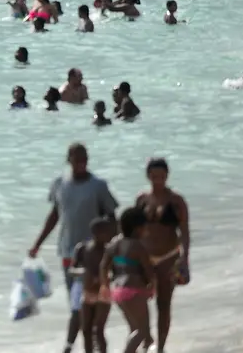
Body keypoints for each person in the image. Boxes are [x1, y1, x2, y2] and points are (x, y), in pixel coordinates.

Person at [29, 143, 118, 353]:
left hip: (96, 256)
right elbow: (54, 216)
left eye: (84, 158)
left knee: (92, 304)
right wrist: (37, 245)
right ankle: (76, 345)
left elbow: (113, 219)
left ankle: (80, 345)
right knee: (77, 304)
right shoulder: (59, 184)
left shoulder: (98, 186)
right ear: (68, 160)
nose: (81, 162)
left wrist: (116, 249)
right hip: (69, 253)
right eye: (77, 159)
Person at [134, 158, 190, 351]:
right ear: (148, 175)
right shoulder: (141, 199)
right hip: (144, 257)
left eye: (161, 176)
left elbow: (184, 231)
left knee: (163, 304)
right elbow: (133, 230)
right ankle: (146, 338)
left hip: (169, 256)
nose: (157, 180)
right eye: (153, 175)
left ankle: (160, 347)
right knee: (138, 302)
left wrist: (185, 259)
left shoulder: (176, 201)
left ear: (167, 175)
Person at [100, 208, 155, 353]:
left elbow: (103, 266)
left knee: (134, 329)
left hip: (117, 291)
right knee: (143, 331)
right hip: (134, 290)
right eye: (146, 228)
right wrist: (152, 286)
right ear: (138, 229)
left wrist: (105, 285)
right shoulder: (138, 246)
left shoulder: (113, 244)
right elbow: (148, 269)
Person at [68, 217, 116, 353]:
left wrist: (105, 278)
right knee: (86, 330)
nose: (111, 235)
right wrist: (84, 273)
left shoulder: (110, 250)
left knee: (98, 330)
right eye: (107, 232)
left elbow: (117, 272)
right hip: (87, 293)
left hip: (103, 293)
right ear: (96, 233)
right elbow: (71, 270)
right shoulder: (82, 248)